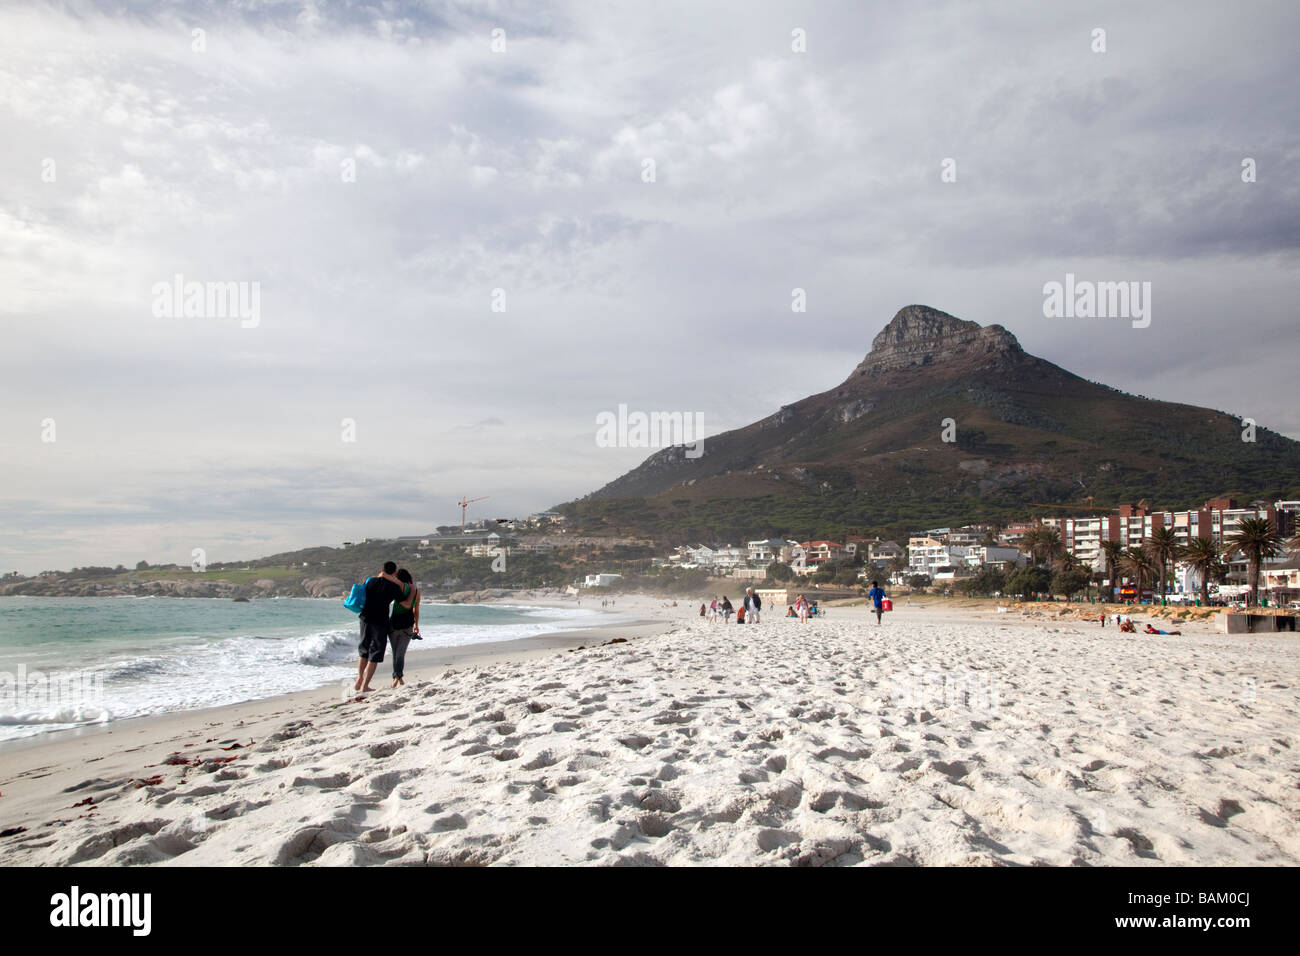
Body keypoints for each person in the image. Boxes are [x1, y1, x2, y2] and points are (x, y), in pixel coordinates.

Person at [355, 561, 405, 692]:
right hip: (380, 621)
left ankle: (359, 677)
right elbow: (403, 601)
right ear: (394, 572)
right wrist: (399, 583)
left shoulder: (370, 581)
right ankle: (365, 685)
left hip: (365, 618)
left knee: (364, 648)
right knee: (375, 652)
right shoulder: (394, 586)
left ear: (382, 569)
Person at [388, 569, 420, 688]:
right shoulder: (416, 590)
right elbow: (415, 609)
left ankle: (397, 677)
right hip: (408, 624)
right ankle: (398, 677)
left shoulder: (396, 589)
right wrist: (416, 625)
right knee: (400, 653)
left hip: (394, 623)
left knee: (396, 652)